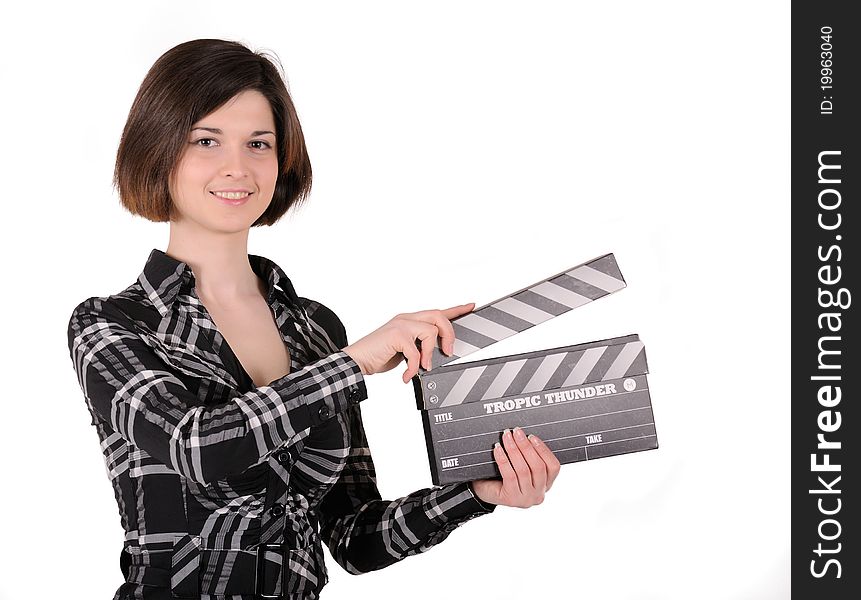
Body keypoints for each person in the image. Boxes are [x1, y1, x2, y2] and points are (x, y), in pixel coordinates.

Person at [66, 38, 561, 600]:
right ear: (157, 152)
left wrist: (476, 493)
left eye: (259, 143)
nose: (238, 167)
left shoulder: (314, 330)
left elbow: (354, 537)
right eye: (206, 140)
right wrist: (352, 365)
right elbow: (198, 447)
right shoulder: (111, 325)